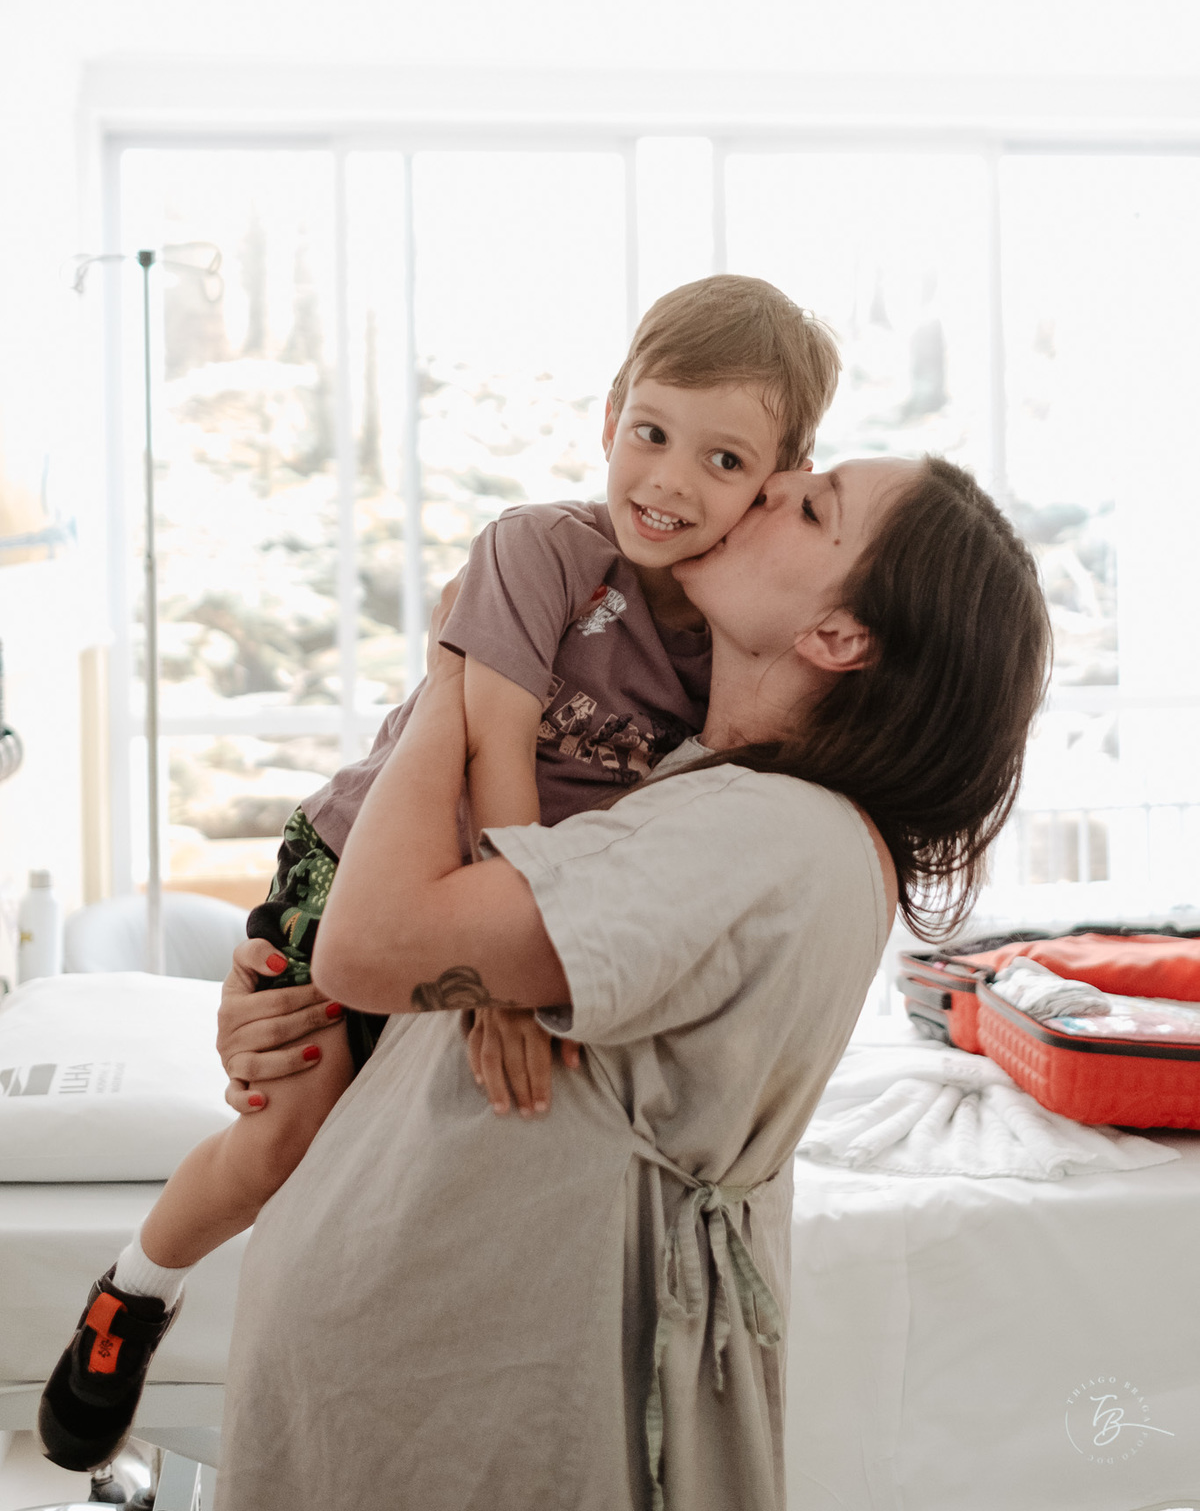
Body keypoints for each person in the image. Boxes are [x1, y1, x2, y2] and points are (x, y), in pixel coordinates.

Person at [39, 275, 841, 1474]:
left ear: (779, 481)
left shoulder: (727, 646)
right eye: (652, 433)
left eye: (723, 462)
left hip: (482, 904)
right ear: (612, 410)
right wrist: (503, 985)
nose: (669, 481)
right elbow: (489, 741)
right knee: (282, 1140)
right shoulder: (543, 551)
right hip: (363, 854)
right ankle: (133, 1293)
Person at [210, 453, 1050, 1511]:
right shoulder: (681, 783)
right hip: (390, 1394)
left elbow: (377, 939)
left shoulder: (770, 836)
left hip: (471, 1425)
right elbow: (393, 963)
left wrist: (469, 661)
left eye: (812, 504)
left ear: (839, 636)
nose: (771, 487)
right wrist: (297, 1017)